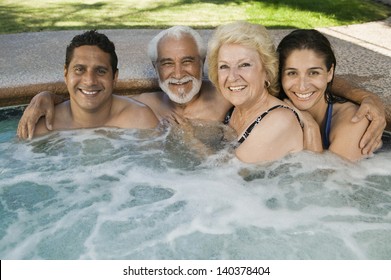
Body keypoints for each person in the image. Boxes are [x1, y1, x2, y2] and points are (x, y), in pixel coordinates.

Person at [17, 26, 386, 155]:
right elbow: (94, 96)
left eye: (188, 62)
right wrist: (44, 97)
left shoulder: (235, 92)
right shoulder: (148, 104)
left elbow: (302, 72)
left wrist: (369, 98)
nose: (178, 74)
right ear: (156, 70)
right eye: (166, 64)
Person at [24, 30, 158, 138]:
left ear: (114, 77)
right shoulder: (41, 127)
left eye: (100, 71)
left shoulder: (140, 120)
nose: (90, 81)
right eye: (79, 70)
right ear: (66, 74)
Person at [207, 21, 304, 163]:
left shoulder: (280, 121)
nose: (232, 77)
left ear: (266, 71)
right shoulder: (234, 110)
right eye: (224, 66)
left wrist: (191, 141)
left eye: (244, 65)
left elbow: (226, 176)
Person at [277, 29, 379, 161]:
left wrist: (311, 126)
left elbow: (326, 180)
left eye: (313, 73)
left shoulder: (354, 121)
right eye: (292, 73)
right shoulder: (276, 107)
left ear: (330, 73)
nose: (302, 86)